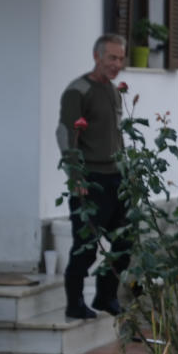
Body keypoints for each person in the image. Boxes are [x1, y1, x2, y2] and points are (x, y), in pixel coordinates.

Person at [55, 33, 131, 320]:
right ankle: (74, 304)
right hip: (89, 181)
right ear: (97, 56)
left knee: (125, 241)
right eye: (112, 57)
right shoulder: (78, 90)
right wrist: (75, 177)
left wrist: (127, 172)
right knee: (86, 247)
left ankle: (105, 295)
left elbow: (117, 136)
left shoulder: (113, 91)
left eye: (121, 59)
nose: (117, 64)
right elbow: (65, 134)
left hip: (116, 180)